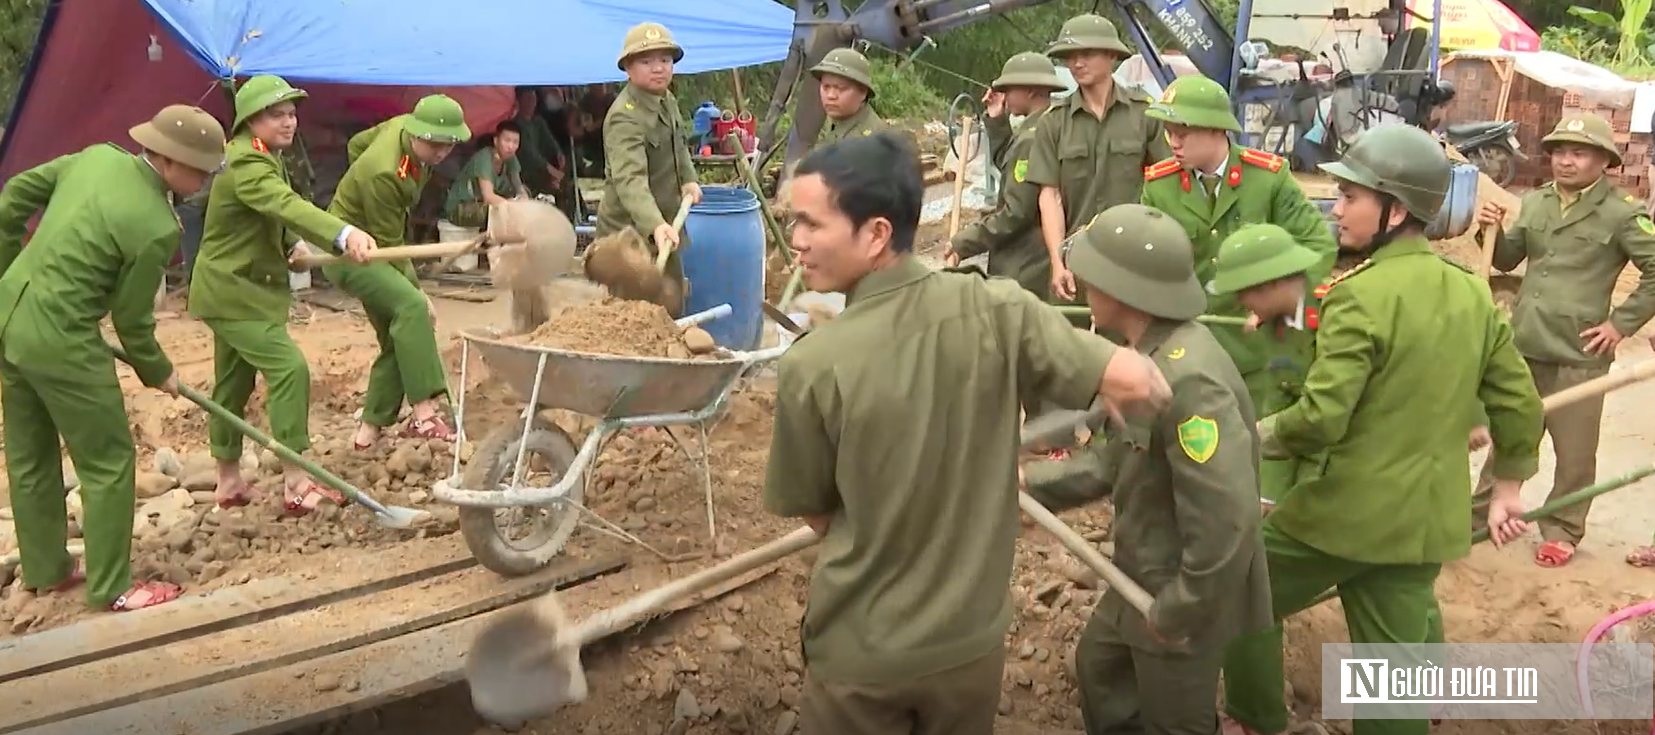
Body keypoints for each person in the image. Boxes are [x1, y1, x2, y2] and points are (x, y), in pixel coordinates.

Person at [764, 131, 1174, 735]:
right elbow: (1131, 377)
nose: (795, 240)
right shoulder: (999, 309)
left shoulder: (813, 365)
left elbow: (817, 514)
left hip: (864, 657)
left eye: (809, 223)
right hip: (970, 650)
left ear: (876, 233)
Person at [1219, 124, 1545, 735]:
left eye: (1351, 198)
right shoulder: (1472, 293)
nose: (1336, 210)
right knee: (1392, 686)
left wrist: (1252, 437)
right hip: (1422, 525)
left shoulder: (1355, 296)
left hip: (1343, 518)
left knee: (1241, 590)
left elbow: (1321, 418)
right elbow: (1520, 402)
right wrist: (1507, 489)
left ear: (1395, 209)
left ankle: (1258, 717)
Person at [1020, 203, 1271, 735]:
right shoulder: (1148, 363)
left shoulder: (1189, 382)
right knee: (1102, 669)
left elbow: (1228, 515)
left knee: (1174, 720)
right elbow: (1115, 460)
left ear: (1124, 289)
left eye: (1094, 274)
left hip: (1181, 591)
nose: (1083, 282)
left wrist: (1183, 608)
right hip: (1140, 574)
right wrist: (1026, 486)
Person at [0, 105, 226, 611]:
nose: (207, 179)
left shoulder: (96, 158)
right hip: (63, 338)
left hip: (9, 315)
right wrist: (157, 371)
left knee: (30, 452)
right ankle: (113, 588)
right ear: (167, 160)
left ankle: (45, 568)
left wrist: (9, 266)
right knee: (108, 462)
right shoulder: (156, 226)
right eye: (200, 169)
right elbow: (132, 321)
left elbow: (14, 195)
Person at [1139, 73, 1337, 502]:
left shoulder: (1268, 179)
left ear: (1216, 130)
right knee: (1196, 454)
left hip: (1261, 349)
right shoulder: (1160, 185)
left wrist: (1279, 301)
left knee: (1261, 462)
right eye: (1169, 131)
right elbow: (1149, 259)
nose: (1173, 141)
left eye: (1184, 131)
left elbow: (1317, 246)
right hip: (1193, 342)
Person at [1472, 112, 1655, 568]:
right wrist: (1487, 227)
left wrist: (1621, 324)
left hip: (1581, 349)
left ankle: (1563, 529)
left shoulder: (1622, 212)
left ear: (1603, 161)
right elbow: (1510, 257)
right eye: (1559, 152)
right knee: (1512, 435)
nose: (1566, 162)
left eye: (1579, 153)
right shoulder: (1534, 202)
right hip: (1526, 339)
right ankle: (1477, 518)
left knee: (1574, 448)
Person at [191, 74, 376, 515]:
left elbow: (272, 211)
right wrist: (343, 233)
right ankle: (296, 481)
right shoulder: (246, 163)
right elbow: (282, 202)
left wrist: (291, 240)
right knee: (290, 369)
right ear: (252, 120)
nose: (289, 122)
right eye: (278, 115)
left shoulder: (260, 157)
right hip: (234, 293)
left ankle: (228, 481)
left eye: (292, 114)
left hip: (237, 289)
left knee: (232, 385)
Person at [327, 94, 472, 450]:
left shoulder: (401, 127)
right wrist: (420, 293)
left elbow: (355, 144)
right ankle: (425, 413)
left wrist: (354, 181)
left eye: (448, 145)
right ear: (416, 134)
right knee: (412, 309)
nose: (441, 153)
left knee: (400, 337)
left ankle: (368, 432)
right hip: (348, 254)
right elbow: (390, 247)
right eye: (434, 145)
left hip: (376, 246)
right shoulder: (383, 174)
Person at [1026, 14, 1170, 321]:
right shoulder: (1054, 122)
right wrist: (1057, 262)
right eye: (1069, 57)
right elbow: (1049, 197)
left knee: (1132, 352)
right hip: (1075, 261)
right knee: (1069, 354)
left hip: (1131, 258)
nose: (1077, 63)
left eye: (1087, 54)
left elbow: (1166, 187)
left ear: (1112, 56)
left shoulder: (1145, 114)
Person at [597, 22, 703, 316]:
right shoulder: (625, 118)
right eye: (647, 61)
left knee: (670, 298)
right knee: (631, 312)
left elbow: (678, 144)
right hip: (628, 233)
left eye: (665, 60)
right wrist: (654, 225)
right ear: (628, 68)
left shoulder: (665, 100)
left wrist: (689, 180)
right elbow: (629, 181)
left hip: (664, 223)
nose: (659, 68)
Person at [943, 51, 1067, 296]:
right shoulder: (1049, 124)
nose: (1004, 95)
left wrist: (963, 242)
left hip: (1026, 262)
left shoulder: (1033, 137)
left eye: (1008, 89)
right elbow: (1013, 170)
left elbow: (1015, 212)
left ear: (1031, 91)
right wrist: (996, 119)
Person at [445, 120, 527, 228]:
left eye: (515, 142)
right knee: (502, 214)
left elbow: (518, 186)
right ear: (496, 141)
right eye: (507, 140)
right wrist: (513, 207)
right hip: (461, 207)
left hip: (481, 204)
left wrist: (525, 201)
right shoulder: (484, 158)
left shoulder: (510, 158)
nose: (511, 146)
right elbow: (488, 196)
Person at [810, 47, 885, 149]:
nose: (831, 95)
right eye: (826, 87)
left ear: (862, 92)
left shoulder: (867, 143)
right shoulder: (838, 116)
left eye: (841, 88)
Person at [511, 87, 567, 201]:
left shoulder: (538, 121)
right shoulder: (517, 124)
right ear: (519, 101)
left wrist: (559, 154)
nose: (531, 102)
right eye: (527, 98)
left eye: (533, 98)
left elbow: (550, 141)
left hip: (543, 172)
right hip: (526, 174)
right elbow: (530, 155)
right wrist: (551, 170)